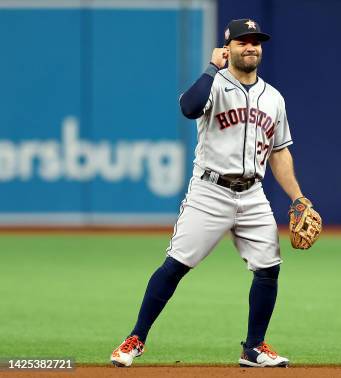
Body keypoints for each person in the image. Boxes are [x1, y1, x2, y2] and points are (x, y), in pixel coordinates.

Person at [110, 18, 315, 368]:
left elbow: (279, 152)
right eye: (242, 41)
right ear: (228, 47)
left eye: (256, 42)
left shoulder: (274, 98)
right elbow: (189, 108)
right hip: (210, 191)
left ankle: (253, 348)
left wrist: (297, 197)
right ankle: (135, 339)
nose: (250, 47)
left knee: (268, 268)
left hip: (252, 193)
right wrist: (210, 67)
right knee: (176, 265)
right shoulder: (214, 84)